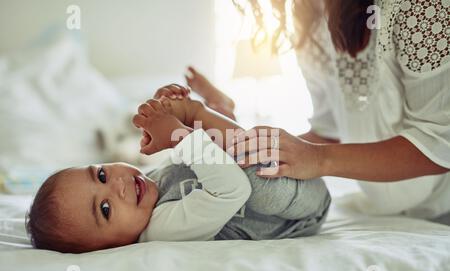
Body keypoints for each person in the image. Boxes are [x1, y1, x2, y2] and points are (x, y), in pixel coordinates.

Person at [218, 0, 449, 221]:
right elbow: (328, 133)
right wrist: (244, 151)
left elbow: (439, 143)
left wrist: (319, 158)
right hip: (387, 213)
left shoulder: (419, 7)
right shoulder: (307, 14)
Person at [25, 89, 331, 253]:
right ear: (111, 247)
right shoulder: (160, 230)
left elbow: (201, 159)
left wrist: (170, 123)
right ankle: (204, 113)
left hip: (291, 182)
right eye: (105, 209)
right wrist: (180, 133)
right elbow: (232, 190)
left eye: (102, 175)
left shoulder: (149, 187)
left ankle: (214, 113)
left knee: (215, 154)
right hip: (297, 213)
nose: (117, 185)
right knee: (245, 170)